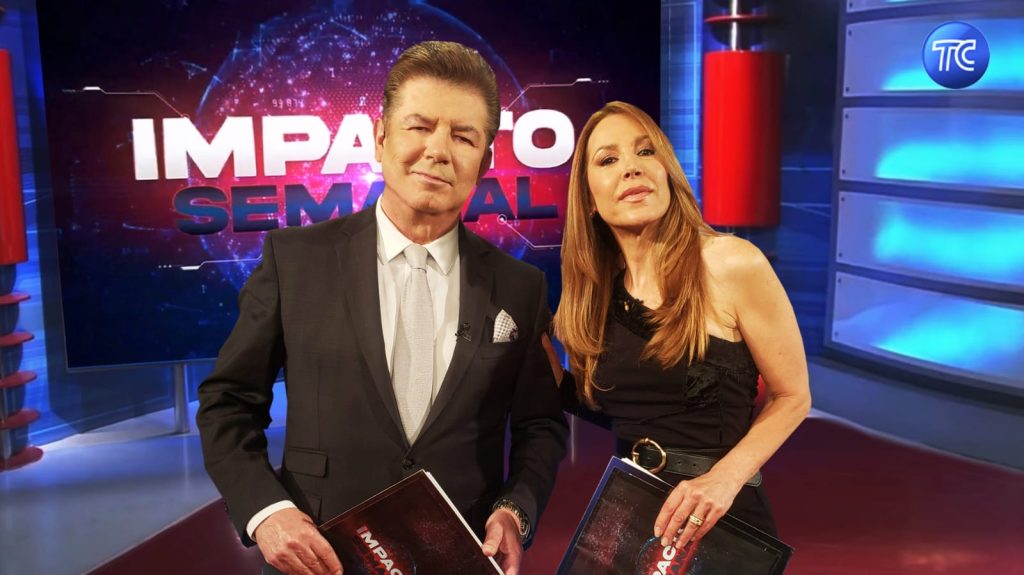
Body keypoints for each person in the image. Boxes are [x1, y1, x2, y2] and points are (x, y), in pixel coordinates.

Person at [197, 41, 568, 575]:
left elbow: (541, 426)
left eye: (463, 136)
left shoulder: (520, 286)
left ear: (484, 161)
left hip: (459, 558)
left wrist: (516, 510)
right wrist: (266, 511)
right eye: (420, 126)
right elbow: (228, 403)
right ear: (380, 137)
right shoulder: (294, 261)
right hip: (321, 558)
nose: (438, 150)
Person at [550, 101, 810, 550]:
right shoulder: (596, 295)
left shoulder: (730, 262)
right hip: (630, 518)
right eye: (608, 160)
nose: (632, 167)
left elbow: (793, 397)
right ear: (589, 199)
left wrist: (723, 480)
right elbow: (613, 407)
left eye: (645, 152)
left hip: (718, 518)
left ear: (667, 172)